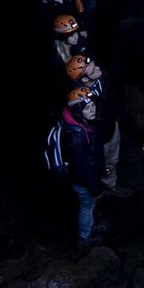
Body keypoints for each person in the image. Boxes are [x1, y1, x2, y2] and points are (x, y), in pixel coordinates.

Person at [65, 54, 129, 197]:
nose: (98, 69)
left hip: (111, 126)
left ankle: (110, 184)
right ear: (85, 79)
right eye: (93, 70)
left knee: (113, 159)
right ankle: (105, 189)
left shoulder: (102, 78)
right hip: (99, 137)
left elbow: (113, 96)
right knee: (102, 165)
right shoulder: (80, 102)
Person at [60, 86, 108, 252]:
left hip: (88, 177)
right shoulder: (76, 136)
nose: (92, 110)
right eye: (87, 108)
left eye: (93, 106)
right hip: (83, 180)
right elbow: (80, 167)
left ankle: (89, 229)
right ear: (78, 111)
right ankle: (84, 237)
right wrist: (94, 186)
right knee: (86, 206)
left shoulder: (81, 125)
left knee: (89, 205)